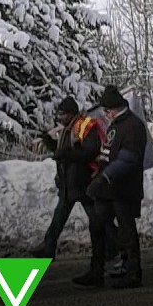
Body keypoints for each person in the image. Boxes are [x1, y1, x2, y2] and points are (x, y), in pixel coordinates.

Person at [79, 85, 148, 289]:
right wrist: (98, 171)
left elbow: (128, 160)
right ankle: (97, 270)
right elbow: (108, 152)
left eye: (106, 111)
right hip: (108, 188)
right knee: (98, 226)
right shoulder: (116, 124)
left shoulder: (133, 126)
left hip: (124, 189)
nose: (104, 115)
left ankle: (134, 272)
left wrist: (104, 177)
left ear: (113, 109)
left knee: (127, 231)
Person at [38, 96, 112, 261]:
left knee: (97, 219)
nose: (60, 117)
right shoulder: (69, 128)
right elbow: (65, 150)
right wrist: (50, 142)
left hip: (83, 181)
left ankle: (112, 246)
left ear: (71, 114)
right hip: (69, 183)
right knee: (60, 218)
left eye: (63, 114)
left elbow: (89, 151)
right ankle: (48, 248)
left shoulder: (84, 126)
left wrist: (66, 154)